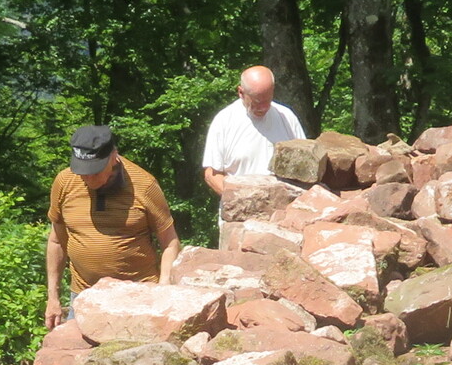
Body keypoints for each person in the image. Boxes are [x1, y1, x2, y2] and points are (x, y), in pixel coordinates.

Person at [45, 125, 179, 329]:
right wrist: (53, 298)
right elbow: (56, 241)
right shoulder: (65, 182)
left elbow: (170, 241)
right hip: (83, 296)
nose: (88, 178)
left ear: (113, 156)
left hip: (138, 296)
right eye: (82, 171)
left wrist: (164, 287)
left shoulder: (144, 185)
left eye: (95, 171)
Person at [199, 65, 306, 197]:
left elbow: (304, 165)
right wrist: (237, 200)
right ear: (241, 93)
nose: (263, 108)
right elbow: (212, 174)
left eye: (267, 100)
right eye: (257, 102)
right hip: (240, 206)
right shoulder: (224, 121)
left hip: (283, 205)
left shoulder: (286, 117)